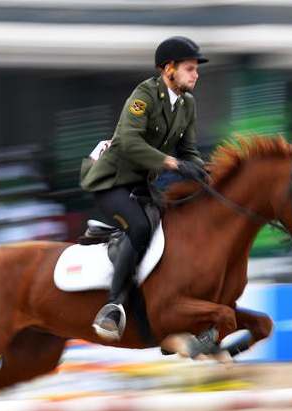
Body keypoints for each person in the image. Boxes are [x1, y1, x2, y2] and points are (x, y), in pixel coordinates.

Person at [80, 36, 210, 339]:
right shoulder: (144, 96)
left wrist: (201, 171)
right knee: (139, 227)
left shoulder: (187, 104)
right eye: (190, 69)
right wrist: (175, 165)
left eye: (196, 69)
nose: (196, 75)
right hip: (111, 181)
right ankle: (112, 307)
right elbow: (129, 142)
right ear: (168, 69)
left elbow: (188, 151)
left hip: (142, 185)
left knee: (176, 225)